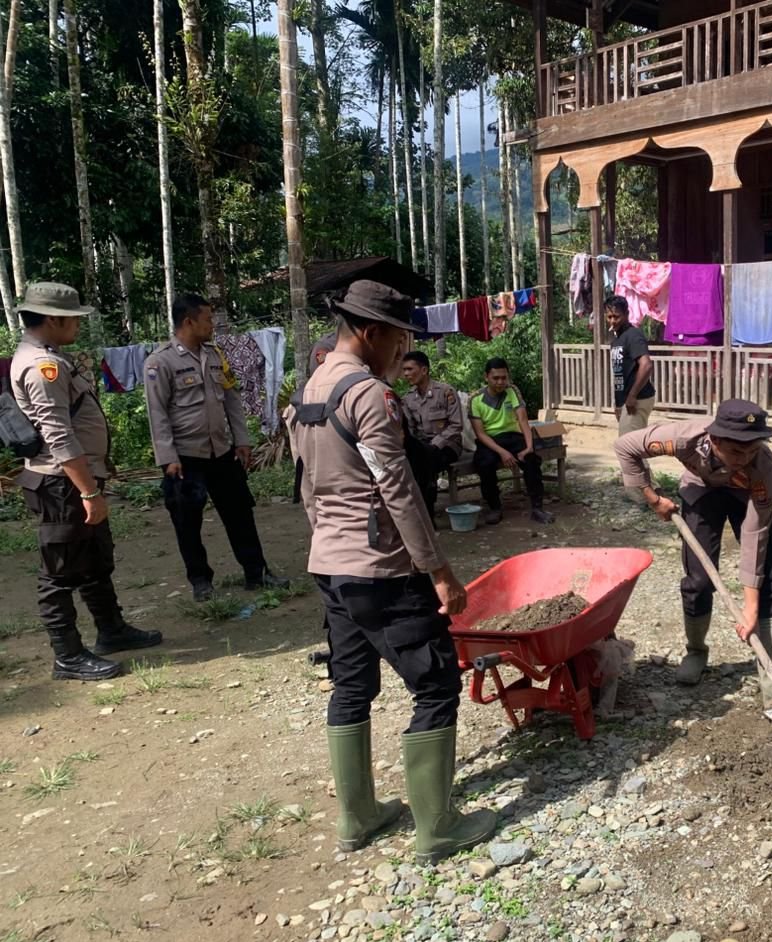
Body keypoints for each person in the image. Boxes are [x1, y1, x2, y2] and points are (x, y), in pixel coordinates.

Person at [284, 279, 495, 864]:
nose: (403, 352)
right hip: (382, 569)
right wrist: (439, 570)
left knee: (351, 684)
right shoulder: (369, 396)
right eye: (400, 339)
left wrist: (328, 544)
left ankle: (357, 817)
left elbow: (307, 487)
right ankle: (438, 826)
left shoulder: (309, 390)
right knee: (436, 683)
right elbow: (398, 489)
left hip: (330, 565)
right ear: (372, 332)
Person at [9, 282, 162, 681]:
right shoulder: (43, 366)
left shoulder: (51, 357)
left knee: (95, 559)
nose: (78, 325)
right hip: (62, 484)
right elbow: (59, 436)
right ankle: (68, 657)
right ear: (53, 319)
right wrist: (88, 491)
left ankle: (111, 629)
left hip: (76, 480)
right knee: (58, 573)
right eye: (73, 318)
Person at [614, 400, 772, 701]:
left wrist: (749, 607)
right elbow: (625, 447)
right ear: (715, 440)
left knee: (771, 574)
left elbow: (754, 534)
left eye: (752, 449)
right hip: (701, 488)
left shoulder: (762, 466)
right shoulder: (684, 438)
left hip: (746, 493)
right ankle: (696, 651)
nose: (745, 458)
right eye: (737, 451)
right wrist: (653, 499)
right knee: (699, 579)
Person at [143, 294, 288, 602]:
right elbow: (157, 413)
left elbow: (232, 399)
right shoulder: (160, 362)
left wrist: (242, 440)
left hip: (221, 452)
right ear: (189, 322)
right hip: (185, 457)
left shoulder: (215, 355)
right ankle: (200, 581)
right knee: (187, 522)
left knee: (240, 514)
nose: (213, 325)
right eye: (208, 319)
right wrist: (167, 458)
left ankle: (257, 572)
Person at [469, 357, 554, 526]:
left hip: (513, 436)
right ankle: (494, 507)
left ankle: (537, 508)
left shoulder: (512, 391)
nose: (500, 382)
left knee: (531, 460)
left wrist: (529, 447)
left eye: (504, 377)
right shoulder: (475, 399)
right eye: (496, 378)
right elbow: (480, 433)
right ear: (486, 377)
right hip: (490, 440)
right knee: (484, 463)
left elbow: (523, 420)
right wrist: (502, 452)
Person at [401, 351, 463, 521]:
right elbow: (411, 430)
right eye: (404, 370)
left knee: (425, 461)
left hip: (448, 445)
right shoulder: (408, 399)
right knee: (414, 460)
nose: (406, 374)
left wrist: (434, 444)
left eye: (410, 369)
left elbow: (456, 425)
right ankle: (423, 512)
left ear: (424, 370)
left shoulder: (445, 392)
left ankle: (426, 514)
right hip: (423, 447)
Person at [606, 295, 655, 435]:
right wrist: (618, 404)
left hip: (637, 399)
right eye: (609, 317)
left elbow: (646, 365)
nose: (612, 321)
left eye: (617, 317)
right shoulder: (617, 339)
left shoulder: (633, 335)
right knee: (632, 444)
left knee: (628, 445)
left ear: (627, 314)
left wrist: (632, 396)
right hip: (625, 401)